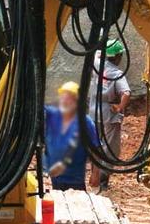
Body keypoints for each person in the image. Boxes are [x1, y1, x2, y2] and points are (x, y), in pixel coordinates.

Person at [88, 39, 131, 190]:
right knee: (111, 149)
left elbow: (95, 53)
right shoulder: (117, 73)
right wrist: (119, 107)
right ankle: (102, 179)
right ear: (118, 56)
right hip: (109, 114)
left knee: (96, 144)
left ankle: (94, 173)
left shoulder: (97, 65)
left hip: (94, 111)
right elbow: (126, 93)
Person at [44, 81, 100, 191]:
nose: (64, 100)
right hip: (56, 177)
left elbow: (96, 149)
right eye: (63, 97)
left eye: (68, 98)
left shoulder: (85, 122)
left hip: (75, 179)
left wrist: (96, 174)